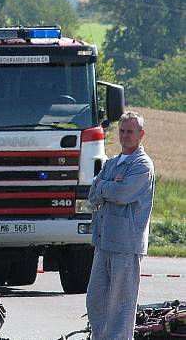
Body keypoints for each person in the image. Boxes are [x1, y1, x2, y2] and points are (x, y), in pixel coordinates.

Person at [86, 111, 155, 340]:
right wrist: (108, 186)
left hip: (126, 245)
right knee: (96, 301)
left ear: (141, 134)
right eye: (122, 131)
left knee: (120, 307)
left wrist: (106, 186)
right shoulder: (112, 162)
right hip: (104, 241)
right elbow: (92, 194)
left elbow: (124, 193)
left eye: (130, 131)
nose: (125, 136)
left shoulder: (142, 165)